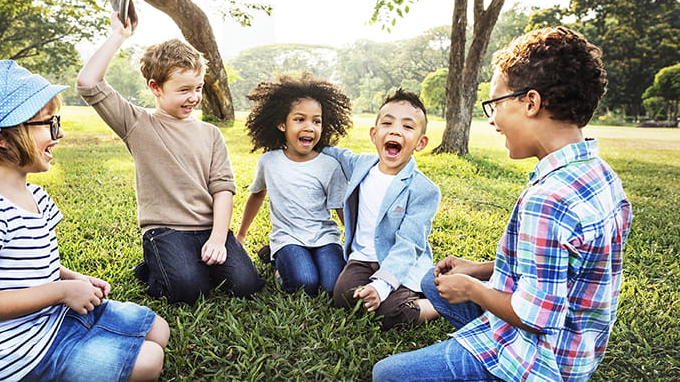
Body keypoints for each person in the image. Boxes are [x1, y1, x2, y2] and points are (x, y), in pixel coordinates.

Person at [372, 26, 632, 381]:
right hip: (578, 347)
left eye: (495, 104)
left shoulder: (549, 199)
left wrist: (472, 288)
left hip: (539, 359)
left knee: (387, 375)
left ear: (531, 102)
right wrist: (478, 269)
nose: (492, 119)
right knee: (433, 284)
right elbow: (561, 266)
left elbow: (537, 316)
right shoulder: (600, 174)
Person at [0, 60, 169, 382]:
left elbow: (29, 265)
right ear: (1, 137)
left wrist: (74, 279)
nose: (59, 134)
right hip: (15, 350)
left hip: (49, 318)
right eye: (48, 123)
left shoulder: (33, 195)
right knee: (148, 361)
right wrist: (61, 293)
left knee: (159, 330)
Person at [75, 12, 265, 305]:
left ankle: (194, 263)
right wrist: (119, 36)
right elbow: (88, 84)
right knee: (188, 292)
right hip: (165, 231)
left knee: (246, 285)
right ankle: (154, 266)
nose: (194, 97)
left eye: (198, 88)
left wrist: (217, 238)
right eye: (184, 90)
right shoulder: (137, 123)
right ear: (156, 88)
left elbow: (222, 190)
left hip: (208, 228)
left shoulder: (211, 133)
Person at [322, 89, 441, 329]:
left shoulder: (424, 190)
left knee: (389, 313)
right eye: (387, 123)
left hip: (401, 263)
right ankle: (380, 293)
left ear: (421, 143)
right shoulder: (361, 164)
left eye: (408, 127)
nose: (395, 130)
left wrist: (381, 285)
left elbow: (409, 244)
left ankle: (436, 303)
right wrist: (305, 143)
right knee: (343, 297)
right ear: (374, 134)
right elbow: (334, 153)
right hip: (362, 259)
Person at [236, 73, 352, 296]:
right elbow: (257, 194)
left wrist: (357, 244)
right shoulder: (269, 162)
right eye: (300, 119)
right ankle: (280, 264)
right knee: (304, 283)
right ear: (282, 124)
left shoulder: (329, 165)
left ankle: (282, 259)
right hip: (288, 237)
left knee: (331, 286)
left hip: (325, 237)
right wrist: (241, 234)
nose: (309, 127)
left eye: (316, 121)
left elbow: (340, 207)